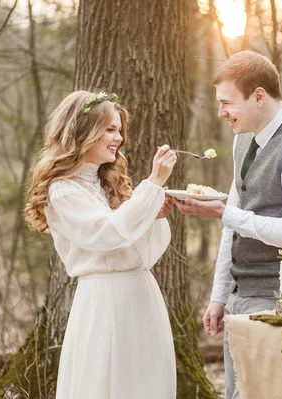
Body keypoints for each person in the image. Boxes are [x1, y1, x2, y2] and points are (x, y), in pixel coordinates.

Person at [173, 51, 282, 398]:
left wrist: (224, 213)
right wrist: (219, 297)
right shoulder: (243, 139)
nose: (220, 113)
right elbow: (234, 225)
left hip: (279, 300)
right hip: (239, 299)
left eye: (227, 102)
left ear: (259, 96)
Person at [24, 91, 177, 398]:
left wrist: (152, 215)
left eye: (119, 130)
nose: (118, 138)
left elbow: (141, 249)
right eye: (110, 129)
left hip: (141, 294)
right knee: (106, 382)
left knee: (145, 382)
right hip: (105, 302)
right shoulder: (63, 192)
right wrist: (153, 185)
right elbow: (107, 236)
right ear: (83, 131)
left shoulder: (104, 183)